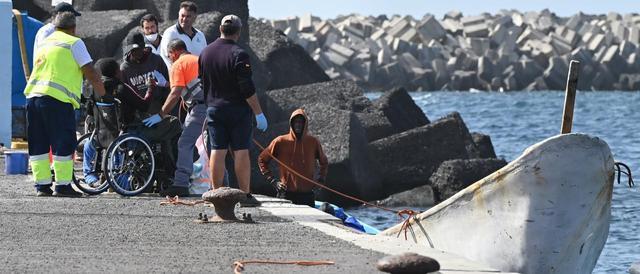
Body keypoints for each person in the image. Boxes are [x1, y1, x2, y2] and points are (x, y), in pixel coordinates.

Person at [24, 12, 105, 197]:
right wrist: (104, 95)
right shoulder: (74, 43)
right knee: (62, 141)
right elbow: (90, 72)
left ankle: (42, 186)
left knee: (38, 143)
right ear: (73, 28)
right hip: (56, 100)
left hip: (33, 96)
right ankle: (63, 186)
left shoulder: (45, 42)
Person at [83, 58, 182, 188]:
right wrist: (150, 88)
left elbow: (90, 112)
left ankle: (88, 174)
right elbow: (144, 105)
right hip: (129, 133)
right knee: (173, 124)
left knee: (88, 144)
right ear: (116, 72)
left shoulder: (94, 90)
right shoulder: (121, 88)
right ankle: (171, 173)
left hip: (101, 134)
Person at [199, 15, 267, 202]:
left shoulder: (205, 53)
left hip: (213, 108)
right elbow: (247, 88)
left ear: (220, 29)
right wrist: (259, 113)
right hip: (237, 111)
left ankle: (216, 194)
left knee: (217, 151)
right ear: (238, 31)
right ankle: (245, 195)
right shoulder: (239, 54)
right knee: (241, 151)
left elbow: (202, 82)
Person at [156, 39, 206, 196]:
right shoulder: (198, 59)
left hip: (200, 108)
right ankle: (223, 185)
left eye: (169, 56)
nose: (170, 59)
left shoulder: (178, 64)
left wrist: (161, 114)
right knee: (214, 146)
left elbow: (175, 93)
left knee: (184, 143)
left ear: (174, 53)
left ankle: (181, 183)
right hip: (216, 106)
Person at [258, 109, 329, 207]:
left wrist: (320, 181)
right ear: (291, 124)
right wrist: (273, 181)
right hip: (286, 194)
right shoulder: (280, 141)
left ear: (305, 124)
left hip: (307, 196)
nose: (298, 125)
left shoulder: (313, 142)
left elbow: (324, 162)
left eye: (301, 122)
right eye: (295, 122)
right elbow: (262, 159)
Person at [121, 32, 170, 116]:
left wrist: (165, 108)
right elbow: (124, 94)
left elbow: (168, 83)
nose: (137, 52)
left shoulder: (156, 60)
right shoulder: (125, 68)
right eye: (133, 50)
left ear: (144, 47)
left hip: (160, 109)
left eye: (139, 49)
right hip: (138, 114)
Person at [159, 1, 207, 69]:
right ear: (179, 14)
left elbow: (204, 58)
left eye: (188, 16)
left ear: (195, 17)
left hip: (198, 78)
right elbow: (169, 57)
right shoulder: (170, 33)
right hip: (177, 77)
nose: (184, 19)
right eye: (182, 16)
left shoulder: (200, 35)